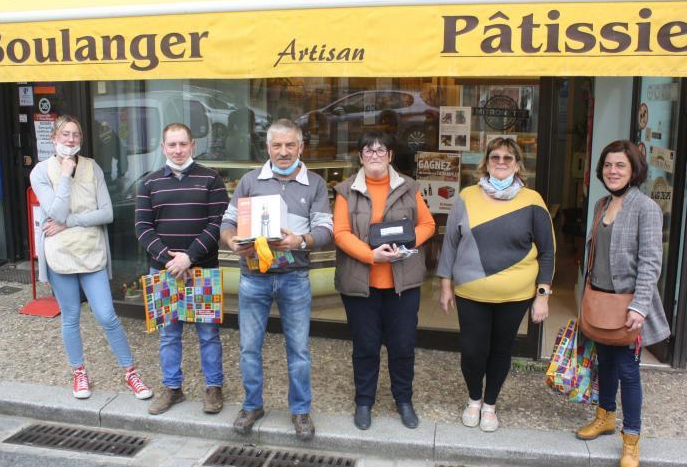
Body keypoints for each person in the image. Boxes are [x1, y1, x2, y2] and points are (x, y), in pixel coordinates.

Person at [221, 118, 333, 441]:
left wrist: (300, 241)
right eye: (277, 146)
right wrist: (231, 242)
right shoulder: (249, 181)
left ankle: (300, 411)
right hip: (253, 276)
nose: (283, 152)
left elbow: (325, 230)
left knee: (299, 349)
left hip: (294, 276)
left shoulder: (315, 184)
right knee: (248, 347)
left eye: (290, 145)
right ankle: (252, 404)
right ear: (267, 147)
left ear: (301, 147)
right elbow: (227, 222)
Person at [30, 115, 152, 401]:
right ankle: (79, 372)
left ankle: (130, 372)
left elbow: (106, 213)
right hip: (60, 255)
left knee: (107, 315)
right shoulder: (39, 172)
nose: (71, 140)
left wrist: (70, 221)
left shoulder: (93, 167)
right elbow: (54, 212)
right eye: (65, 134)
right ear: (54, 138)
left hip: (91, 252)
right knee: (70, 316)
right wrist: (65, 174)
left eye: (76, 135)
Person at [437, 136, 554, 432]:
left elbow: (548, 251)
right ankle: (473, 399)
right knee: (472, 349)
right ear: (486, 162)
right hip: (470, 291)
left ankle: (490, 404)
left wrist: (543, 295)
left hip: (515, 296)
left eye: (508, 158)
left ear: (517, 165)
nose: (501, 162)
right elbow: (450, 243)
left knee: (501, 350)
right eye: (495, 157)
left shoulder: (532, 201)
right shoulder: (466, 196)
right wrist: (445, 284)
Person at [575, 140, 670, 467]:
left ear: (634, 171)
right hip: (599, 302)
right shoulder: (601, 204)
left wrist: (640, 307)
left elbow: (650, 263)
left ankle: (631, 438)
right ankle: (605, 416)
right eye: (608, 165)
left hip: (628, 306)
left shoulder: (645, 208)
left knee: (629, 372)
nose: (613, 171)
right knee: (605, 364)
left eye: (620, 166)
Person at [333, 131, 435, 430]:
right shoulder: (345, 190)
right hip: (361, 284)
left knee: (402, 346)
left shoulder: (409, 187)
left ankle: (404, 400)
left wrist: (406, 245)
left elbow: (427, 224)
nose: (374, 155)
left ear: (390, 155)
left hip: (402, 284)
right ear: (360, 156)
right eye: (368, 150)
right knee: (365, 347)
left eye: (381, 150)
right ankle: (364, 401)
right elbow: (340, 233)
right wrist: (371, 255)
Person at [135, 123, 229, 416]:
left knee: (209, 335)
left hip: (202, 270)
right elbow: (142, 228)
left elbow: (218, 224)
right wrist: (168, 260)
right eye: (172, 145)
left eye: (183, 144)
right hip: (163, 272)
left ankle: (214, 388)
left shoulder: (211, 179)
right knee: (168, 335)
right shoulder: (148, 183)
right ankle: (172, 388)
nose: (177, 150)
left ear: (193, 145)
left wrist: (189, 258)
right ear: (163, 147)